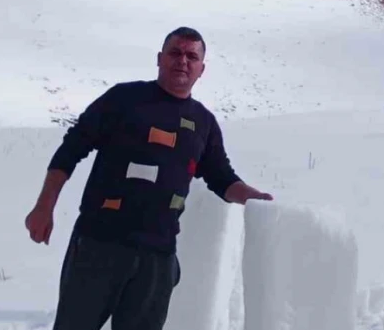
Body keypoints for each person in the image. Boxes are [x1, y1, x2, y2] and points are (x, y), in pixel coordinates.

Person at [25, 26, 272, 330]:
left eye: (191, 56)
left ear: (201, 69)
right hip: (99, 245)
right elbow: (71, 149)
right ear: (159, 58)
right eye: (175, 53)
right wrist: (44, 206)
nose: (182, 60)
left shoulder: (203, 123)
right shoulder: (124, 99)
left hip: (158, 256)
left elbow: (222, 178)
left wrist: (254, 197)